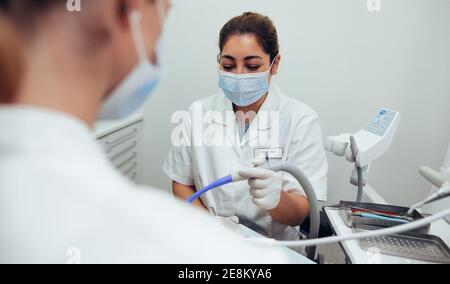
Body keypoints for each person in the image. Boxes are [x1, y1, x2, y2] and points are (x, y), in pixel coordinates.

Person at [0, 0, 289, 264]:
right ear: (128, 9)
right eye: (165, 9)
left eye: (251, 66)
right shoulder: (163, 246)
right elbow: (181, 185)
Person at [164, 12, 328, 240]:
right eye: (229, 65)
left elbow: (300, 213)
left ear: (275, 63)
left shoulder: (300, 119)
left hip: (273, 251)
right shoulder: (197, 112)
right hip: (210, 242)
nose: (239, 75)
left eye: (252, 66)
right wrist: (210, 227)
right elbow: (182, 185)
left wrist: (277, 199)